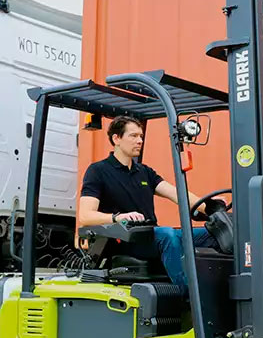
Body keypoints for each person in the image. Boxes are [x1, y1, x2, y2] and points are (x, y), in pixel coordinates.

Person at [78, 115, 220, 285]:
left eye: (141, 136)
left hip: (152, 235)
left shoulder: (144, 172)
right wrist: (117, 217)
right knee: (167, 235)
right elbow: (85, 216)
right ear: (116, 139)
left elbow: (177, 194)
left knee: (214, 233)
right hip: (126, 240)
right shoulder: (98, 171)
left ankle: (220, 290)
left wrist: (211, 208)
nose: (139, 141)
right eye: (133, 136)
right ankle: (188, 293)